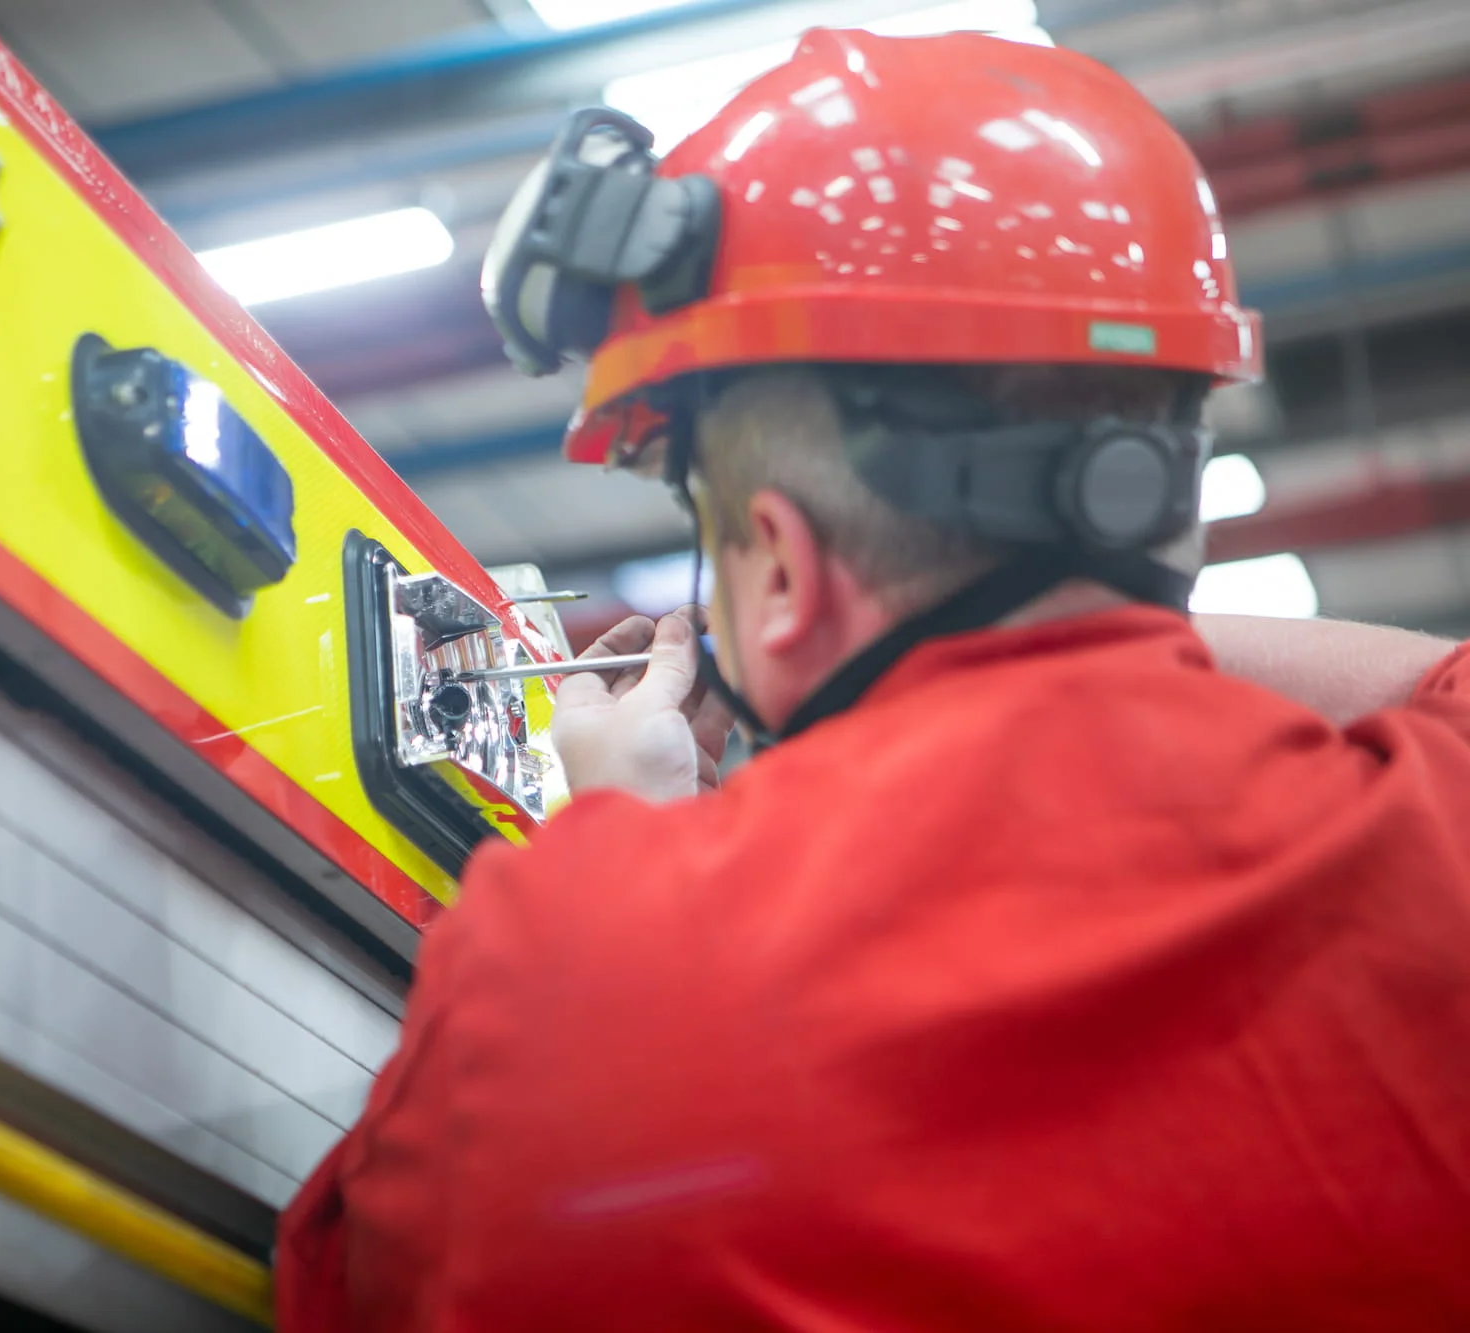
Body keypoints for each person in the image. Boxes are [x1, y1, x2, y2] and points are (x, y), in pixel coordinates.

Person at [277, 28, 1470, 1331]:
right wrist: (1102, 625)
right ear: (1165, 483)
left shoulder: (549, 976)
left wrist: (615, 853)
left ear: (778, 564)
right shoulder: (1440, 851)